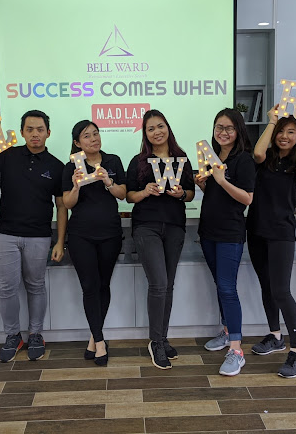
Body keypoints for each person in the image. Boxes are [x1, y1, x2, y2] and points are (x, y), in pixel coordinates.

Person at [0, 110, 66, 362]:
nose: (35, 134)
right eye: (30, 129)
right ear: (22, 132)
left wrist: (60, 240)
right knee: (6, 288)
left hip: (39, 236)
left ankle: (36, 334)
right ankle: (13, 336)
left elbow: (62, 206)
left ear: (48, 133)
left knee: (36, 286)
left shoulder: (56, 166)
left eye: (40, 129)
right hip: (7, 234)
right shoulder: (8, 156)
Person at [126, 109, 195, 370]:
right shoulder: (139, 161)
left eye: (160, 126)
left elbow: (190, 193)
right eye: (151, 128)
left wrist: (180, 194)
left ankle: (163, 338)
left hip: (175, 226)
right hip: (146, 226)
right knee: (159, 284)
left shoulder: (182, 158)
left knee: (168, 285)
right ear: (145, 134)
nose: (157, 132)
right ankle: (155, 341)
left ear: (168, 128)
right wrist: (144, 192)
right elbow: (129, 196)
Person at [247, 107, 296, 378]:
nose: (285, 136)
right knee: (267, 286)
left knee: (281, 291)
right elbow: (257, 153)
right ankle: (275, 335)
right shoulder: (266, 158)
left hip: (281, 232)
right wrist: (272, 122)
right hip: (256, 229)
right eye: (281, 132)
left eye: (291, 132)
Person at [62, 120, 126, 366]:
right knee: (89, 286)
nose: (93, 139)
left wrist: (108, 182)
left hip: (110, 233)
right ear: (77, 143)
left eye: (96, 133)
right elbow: (67, 203)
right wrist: (76, 186)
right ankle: (100, 342)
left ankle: (93, 337)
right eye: (87, 136)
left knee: (103, 285)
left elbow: (122, 194)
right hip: (81, 235)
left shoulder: (113, 161)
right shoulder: (71, 166)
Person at [197, 108, 255, 376]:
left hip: (230, 233)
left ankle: (236, 350)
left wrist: (221, 180)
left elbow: (247, 198)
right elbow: (215, 194)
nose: (223, 132)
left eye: (229, 128)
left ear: (238, 130)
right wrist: (203, 183)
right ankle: (227, 330)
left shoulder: (243, 159)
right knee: (220, 287)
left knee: (227, 289)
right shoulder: (212, 156)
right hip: (208, 231)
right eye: (219, 127)